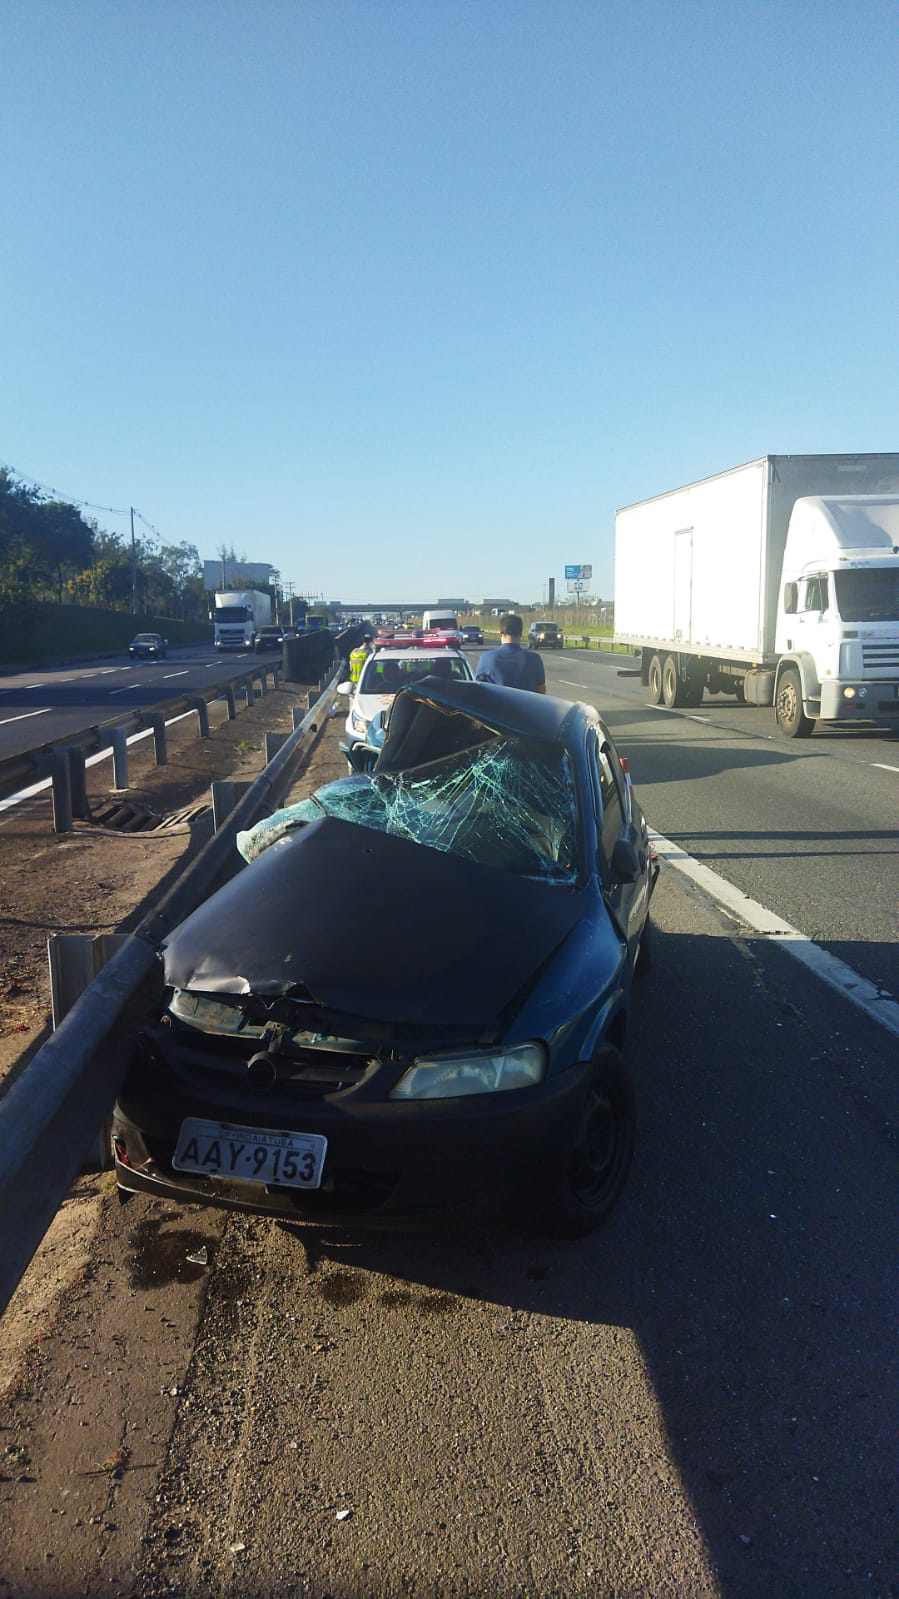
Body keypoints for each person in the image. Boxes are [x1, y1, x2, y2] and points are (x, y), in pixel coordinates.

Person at [476, 614, 546, 693]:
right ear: (521, 634)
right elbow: (541, 690)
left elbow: (478, 689)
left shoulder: (487, 658)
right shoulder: (534, 659)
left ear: (500, 634)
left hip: (497, 704)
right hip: (526, 704)